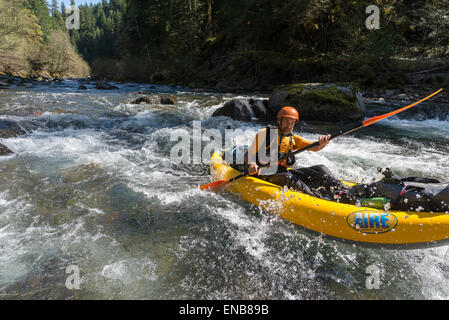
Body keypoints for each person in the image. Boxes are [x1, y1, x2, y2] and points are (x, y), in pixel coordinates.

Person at [246, 106, 353, 201]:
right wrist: (252, 165)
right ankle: (317, 199)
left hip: (282, 172)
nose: (289, 125)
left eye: (292, 122)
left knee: (321, 169)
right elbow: (248, 154)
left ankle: (346, 192)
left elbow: (314, 147)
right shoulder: (266, 133)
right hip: (265, 175)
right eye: (286, 121)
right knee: (288, 177)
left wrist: (323, 143)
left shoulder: (293, 138)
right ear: (279, 120)